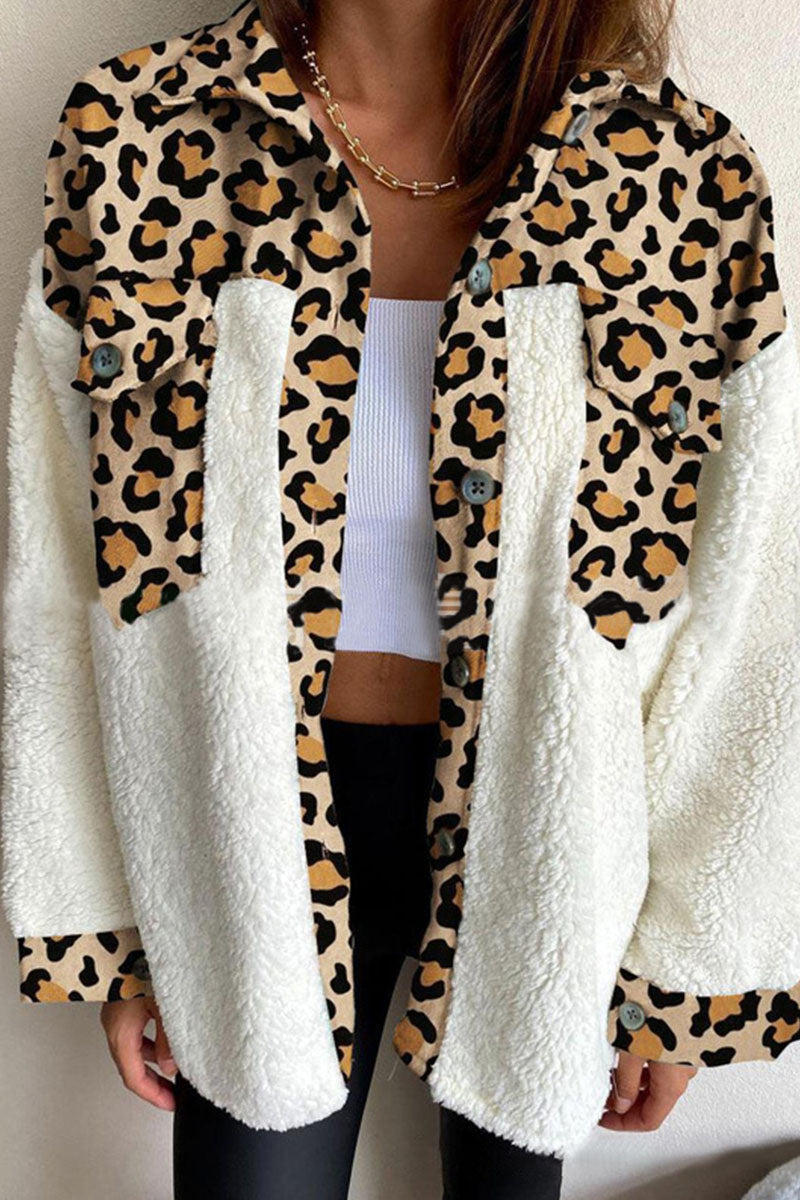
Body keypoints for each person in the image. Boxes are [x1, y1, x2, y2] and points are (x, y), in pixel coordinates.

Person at [3, 0, 799, 1196]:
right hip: (235, 826)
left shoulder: (675, 169)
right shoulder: (143, 128)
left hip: (553, 839)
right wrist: (106, 927)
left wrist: (690, 979)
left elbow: (749, 610)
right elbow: (60, 563)